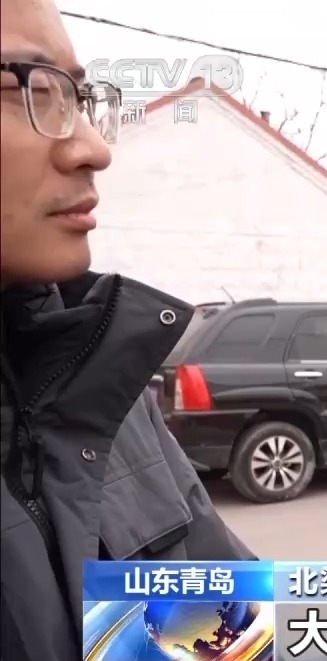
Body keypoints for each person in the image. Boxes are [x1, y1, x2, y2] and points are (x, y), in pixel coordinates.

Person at [0, 1, 254, 659]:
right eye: (29, 89)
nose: (94, 148)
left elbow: (229, 640)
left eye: (77, 98)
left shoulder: (97, 390)